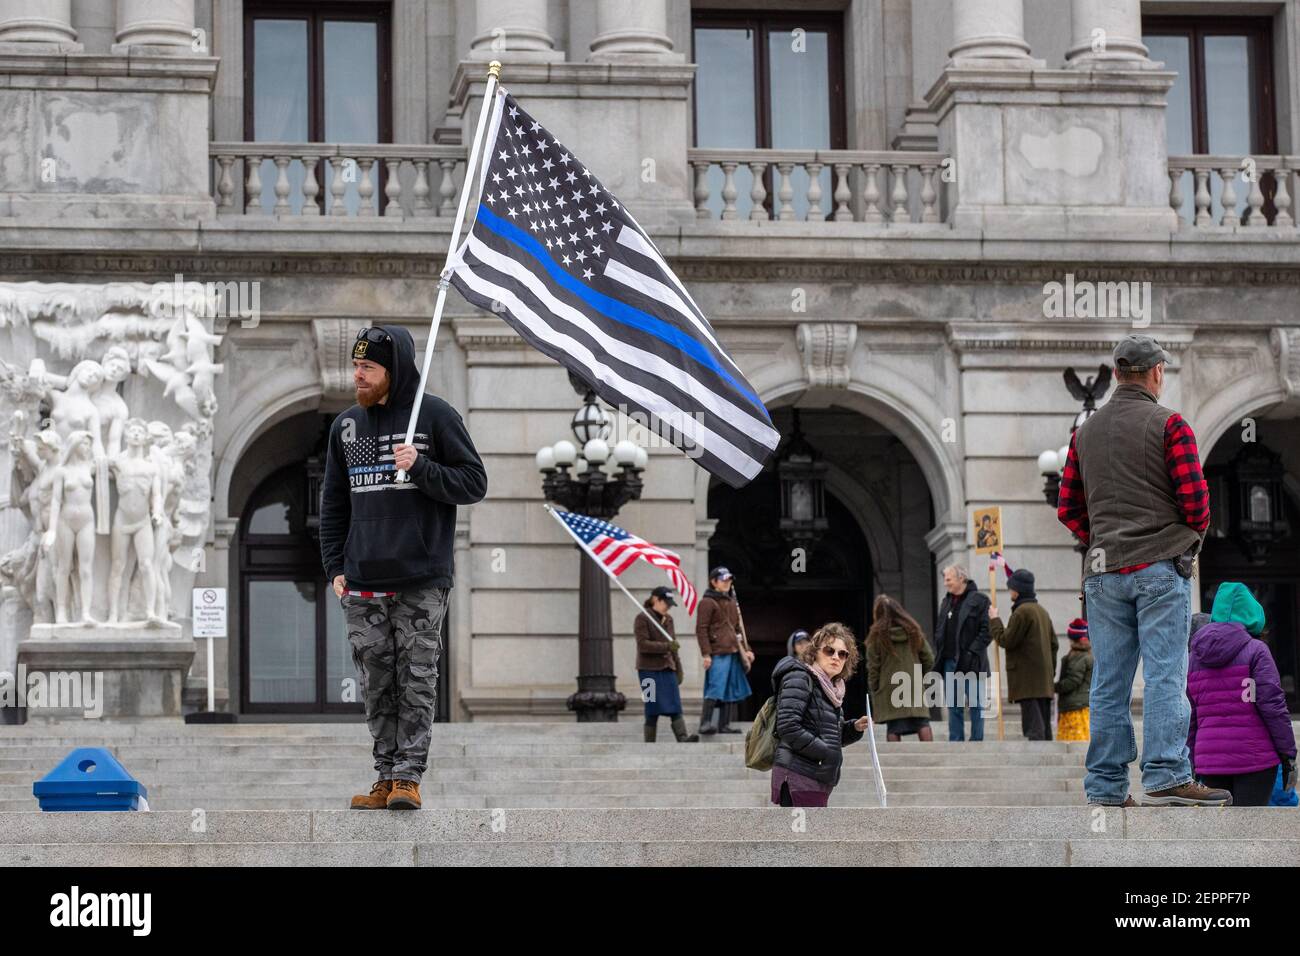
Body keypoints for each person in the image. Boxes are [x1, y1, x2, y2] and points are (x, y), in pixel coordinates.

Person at [1058, 333, 1230, 808]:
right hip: (1158, 567)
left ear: (1116, 374)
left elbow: (1067, 507)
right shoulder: (1169, 424)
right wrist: (1185, 538)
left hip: (1102, 572)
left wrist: (1101, 538)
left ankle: (1107, 787)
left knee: (1108, 682)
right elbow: (1196, 503)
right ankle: (1167, 772)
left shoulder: (1084, 434)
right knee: (1164, 675)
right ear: (1157, 373)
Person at [321, 325, 487, 811]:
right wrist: (335, 566)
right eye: (356, 367)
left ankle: (408, 778)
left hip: (420, 579)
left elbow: (474, 482)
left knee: (416, 678)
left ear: (393, 371)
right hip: (362, 581)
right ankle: (384, 775)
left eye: (367, 368)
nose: (358, 376)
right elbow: (334, 505)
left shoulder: (435, 416)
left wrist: (420, 467)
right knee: (377, 681)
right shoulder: (345, 427)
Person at [1186, 583, 1297, 807]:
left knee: (1219, 835)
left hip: (1209, 760)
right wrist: (1288, 753)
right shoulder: (1256, 650)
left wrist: (1190, 761)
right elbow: (1273, 706)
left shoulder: (1194, 657)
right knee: (1251, 832)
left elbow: (1191, 715)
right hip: (1255, 758)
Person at [770, 622, 868, 807]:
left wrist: (853, 728)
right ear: (815, 652)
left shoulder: (832, 690)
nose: (836, 657)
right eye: (829, 651)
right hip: (798, 774)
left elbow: (829, 736)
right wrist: (825, 752)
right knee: (802, 834)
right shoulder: (800, 677)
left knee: (810, 835)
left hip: (817, 776)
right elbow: (788, 726)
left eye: (842, 654)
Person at [988, 568, 1058, 741]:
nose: (1010, 591)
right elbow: (1054, 645)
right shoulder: (1041, 611)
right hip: (1043, 678)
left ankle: (1038, 761)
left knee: (1034, 727)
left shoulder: (1022, 612)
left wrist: (994, 620)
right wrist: (1051, 671)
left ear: (1017, 590)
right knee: (1044, 726)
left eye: (1011, 588)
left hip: (1028, 679)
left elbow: (1006, 640)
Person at [932, 564, 991, 742]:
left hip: (972, 662)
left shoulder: (980, 600)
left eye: (949, 579)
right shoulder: (946, 601)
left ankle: (976, 740)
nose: (945, 583)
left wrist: (972, 652)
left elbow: (987, 631)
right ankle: (955, 741)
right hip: (950, 662)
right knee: (954, 705)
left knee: (975, 704)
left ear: (961, 579)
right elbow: (940, 630)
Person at [866, 595, 935, 741]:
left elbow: (873, 668)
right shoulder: (914, 632)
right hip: (912, 683)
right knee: (922, 722)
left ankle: (893, 763)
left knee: (894, 727)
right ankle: (932, 760)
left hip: (889, 688)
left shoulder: (876, 637)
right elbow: (929, 658)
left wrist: (875, 688)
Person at [694, 566, 752, 735]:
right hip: (718, 652)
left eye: (729, 579)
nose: (727, 583)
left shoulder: (731, 602)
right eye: (723, 579)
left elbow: (737, 629)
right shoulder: (706, 602)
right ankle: (705, 723)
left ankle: (724, 725)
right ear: (714, 582)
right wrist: (706, 653)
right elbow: (701, 629)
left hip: (733, 650)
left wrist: (747, 650)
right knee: (716, 687)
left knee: (730, 688)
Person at [635, 585, 692, 743]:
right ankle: (650, 743)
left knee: (675, 706)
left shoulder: (669, 619)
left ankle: (683, 737)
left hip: (667, 669)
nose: (668, 607)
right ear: (655, 600)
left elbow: (673, 646)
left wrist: (679, 669)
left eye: (669, 604)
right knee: (651, 706)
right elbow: (643, 645)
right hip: (647, 670)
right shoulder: (642, 618)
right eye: (665, 603)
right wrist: (667, 646)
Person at [1055, 619, 1092, 742]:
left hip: (1075, 709)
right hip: (1079, 706)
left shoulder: (1079, 657)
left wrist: (1053, 687)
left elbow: (1072, 681)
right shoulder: (1087, 654)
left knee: (1074, 740)